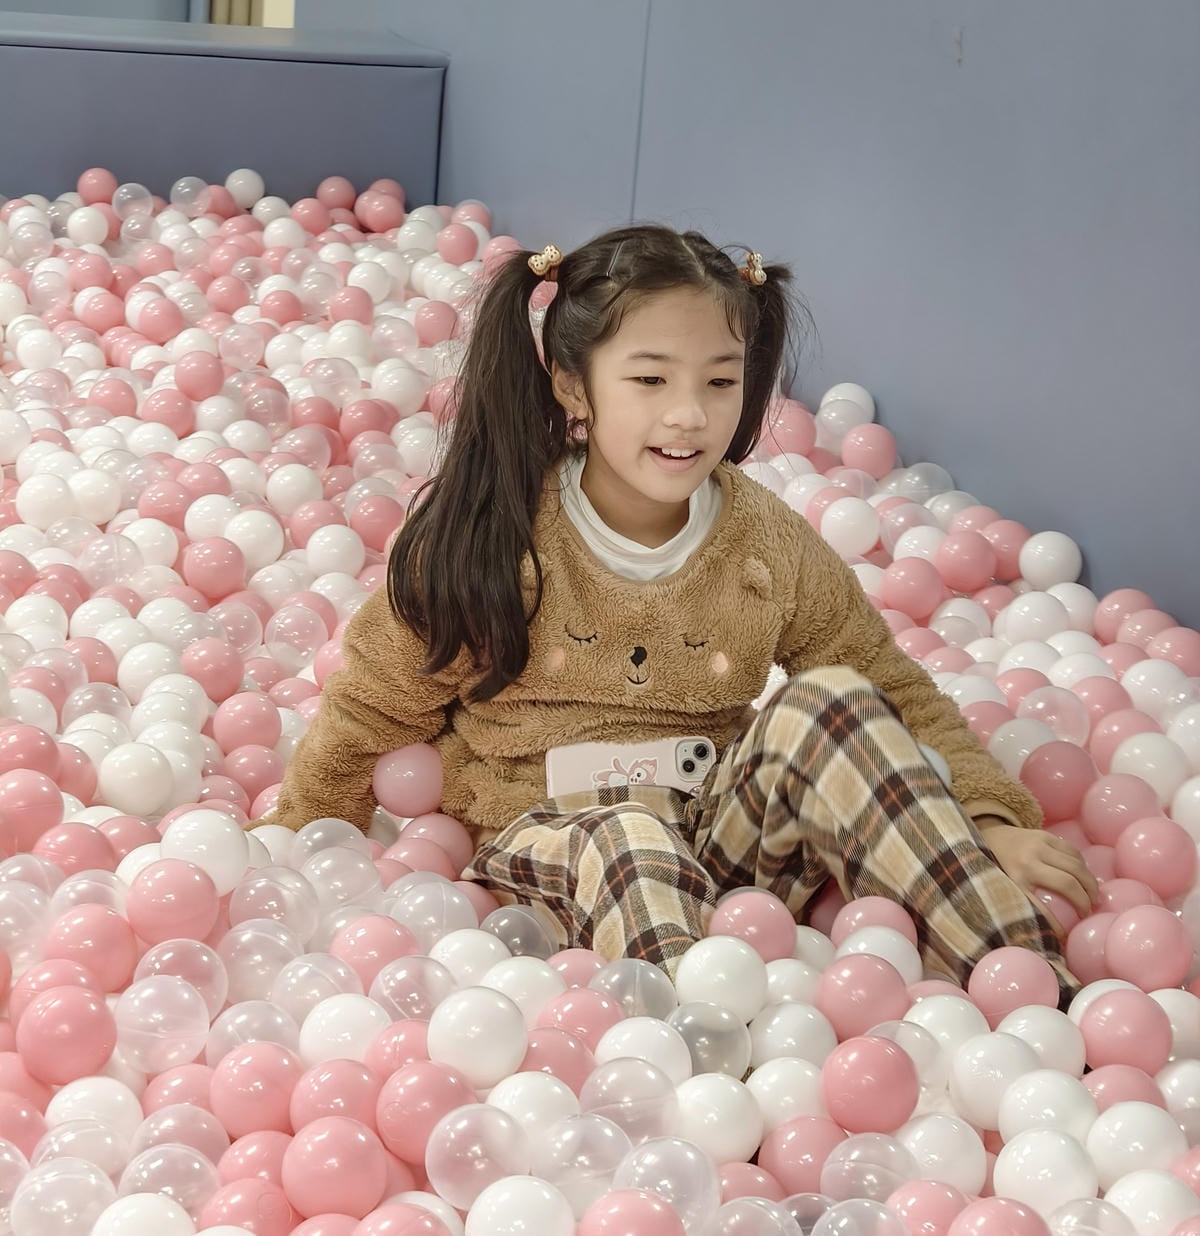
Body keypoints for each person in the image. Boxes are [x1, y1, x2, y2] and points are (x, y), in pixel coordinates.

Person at [268, 224, 1097, 991]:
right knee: (630, 837)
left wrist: (989, 819)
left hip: (718, 832)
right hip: (549, 836)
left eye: (720, 381)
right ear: (572, 384)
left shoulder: (761, 540)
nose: (689, 414)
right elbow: (373, 707)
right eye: (650, 378)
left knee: (837, 699)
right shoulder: (499, 533)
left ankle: (1033, 998)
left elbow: (890, 683)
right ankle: (712, 1076)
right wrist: (297, 855)